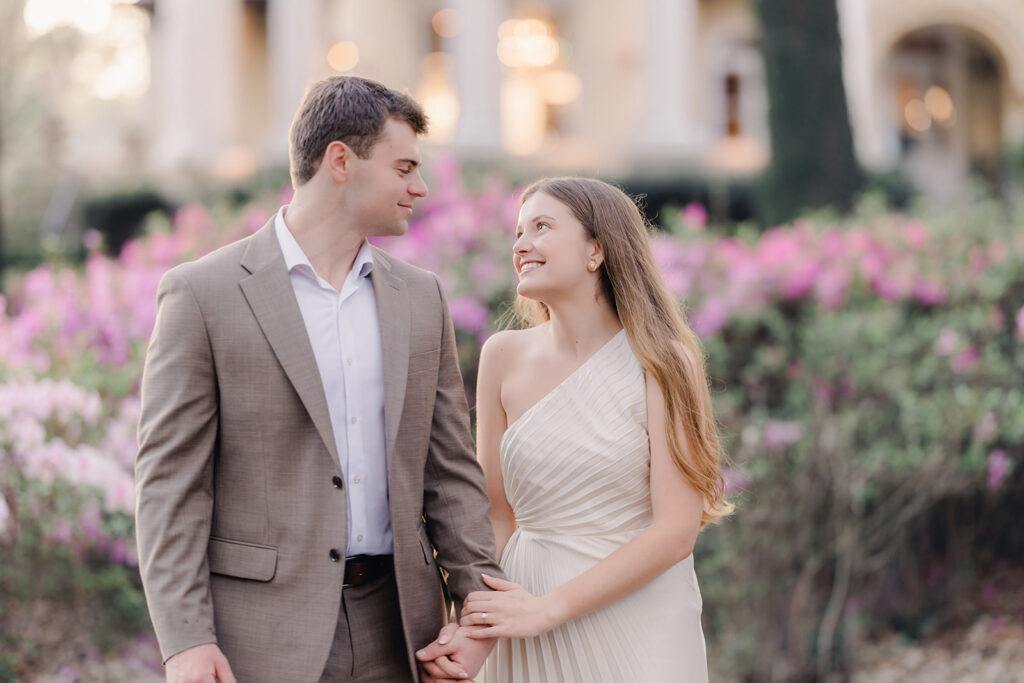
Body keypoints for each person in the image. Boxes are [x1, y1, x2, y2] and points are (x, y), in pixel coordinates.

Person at [135, 76, 501, 683]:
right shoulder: (202, 294)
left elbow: (450, 471)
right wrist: (185, 641)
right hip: (259, 637)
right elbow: (170, 486)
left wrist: (478, 612)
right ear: (340, 161)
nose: (421, 187)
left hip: (402, 632)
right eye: (404, 166)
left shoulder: (420, 296)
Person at [419, 177, 734, 682]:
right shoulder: (502, 356)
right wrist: (472, 628)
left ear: (596, 250)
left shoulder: (662, 360)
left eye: (542, 226)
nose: (521, 243)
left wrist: (549, 610)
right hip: (521, 616)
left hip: (636, 623)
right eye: (518, 231)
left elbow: (675, 533)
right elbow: (495, 518)